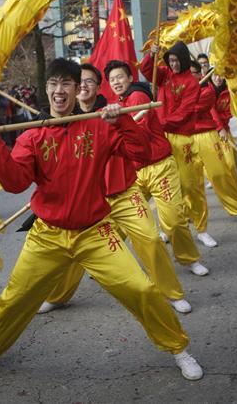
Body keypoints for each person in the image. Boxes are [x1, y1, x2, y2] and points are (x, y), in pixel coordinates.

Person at [0, 58, 203, 381]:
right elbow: (16, 183)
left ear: (78, 90)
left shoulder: (98, 126)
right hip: (47, 235)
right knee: (13, 300)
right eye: (53, 84)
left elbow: (142, 155)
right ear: (45, 90)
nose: (58, 90)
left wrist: (123, 123)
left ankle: (178, 347)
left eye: (66, 84)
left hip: (95, 232)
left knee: (141, 289)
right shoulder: (32, 135)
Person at [39, 62, 192, 315]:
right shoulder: (64, 120)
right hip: (89, 198)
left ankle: (171, 293)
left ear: (99, 86)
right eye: (80, 81)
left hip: (123, 192)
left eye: (90, 81)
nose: (84, 85)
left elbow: (139, 148)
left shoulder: (112, 112)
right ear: (73, 88)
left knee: (151, 239)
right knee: (74, 249)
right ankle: (59, 296)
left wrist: (120, 121)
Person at [140, 41, 218, 256]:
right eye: (170, 60)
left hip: (181, 138)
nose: (173, 64)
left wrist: (160, 122)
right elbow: (147, 71)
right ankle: (169, 227)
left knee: (190, 185)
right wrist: (151, 56)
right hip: (161, 137)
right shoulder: (164, 74)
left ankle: (201, 228)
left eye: (176, 60)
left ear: (184, 60)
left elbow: (184, 113)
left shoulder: (192, 83)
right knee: (164, 187)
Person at [190, 69, 237, 226]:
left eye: (220, 75)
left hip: (220, 133)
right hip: (194, 137)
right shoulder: (193, 89)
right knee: (189, 183)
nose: (218, 78)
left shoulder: (224, 91)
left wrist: (222, 127)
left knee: (230, 166)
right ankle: (183, 218)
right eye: (214, 75)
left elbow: (226, 111)